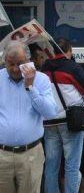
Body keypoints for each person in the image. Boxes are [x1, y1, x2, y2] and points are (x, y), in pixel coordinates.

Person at [41, 38, 84, 193]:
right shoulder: (71, 67)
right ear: (69, 51)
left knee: (51, 166)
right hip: (71, 122)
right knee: (72, 166)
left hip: (49, 122)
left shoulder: (44, 68)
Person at [0, 41, 58, 192]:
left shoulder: (41, 79)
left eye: (19, 64)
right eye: (10, 64)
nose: (14, 69)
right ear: (4, 60)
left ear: (28, 60)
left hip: (31, 154)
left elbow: (50, 113)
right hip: (2, 155)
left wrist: (30, 87)